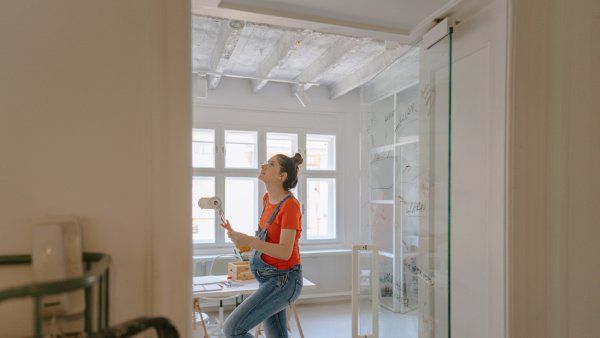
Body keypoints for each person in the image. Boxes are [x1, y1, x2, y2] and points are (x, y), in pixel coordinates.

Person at [221, 153, 304, 338]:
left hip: (284, 281)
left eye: (271, 164)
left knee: (232, 329)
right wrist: (240, 239)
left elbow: (284, 251)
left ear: (282, 176)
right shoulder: (267, 199)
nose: (263, 165)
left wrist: (249, 240)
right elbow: (267, 240)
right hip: (267, 279)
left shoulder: (291, 206)